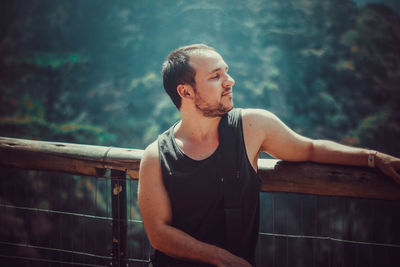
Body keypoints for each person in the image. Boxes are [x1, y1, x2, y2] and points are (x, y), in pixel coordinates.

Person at [138, 44, 400, 267]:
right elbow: (159, 234)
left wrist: (373, 158)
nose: (230, 81)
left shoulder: (252, 126)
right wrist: (222, 259)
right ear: (185, 91)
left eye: (226, 71)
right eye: (215, 76)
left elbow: (310, 148)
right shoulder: (156, 156)